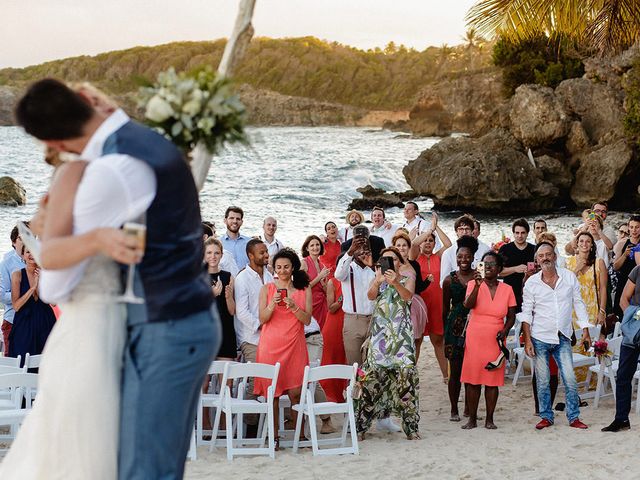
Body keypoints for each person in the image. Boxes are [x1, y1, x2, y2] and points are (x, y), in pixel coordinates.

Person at [3, 79, 219, 479]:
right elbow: (141, 242)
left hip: (163, 328)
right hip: (178, 319)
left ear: (53, 140)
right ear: (84, 99)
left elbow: (57, 284)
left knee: (144, 470)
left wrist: (68, 236)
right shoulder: (149, 143)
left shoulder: (109, 172)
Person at [521, 242, 592, 430]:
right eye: (541, 255)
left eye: (548, 254)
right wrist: (528, 339)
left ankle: (574, 417)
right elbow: (526, 313)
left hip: (563, 336)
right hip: (540, 337)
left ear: (555, 256)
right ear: (537, 260)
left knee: (570, 378)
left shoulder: (568, 277)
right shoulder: (532, 283)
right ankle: (546, 416)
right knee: (543, 381)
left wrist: (585, 329)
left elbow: (579, 303)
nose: (545, 258)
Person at [356, 247, 420, 440]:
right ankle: (362, 427)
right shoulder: (380, 281)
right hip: (380, 338)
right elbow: (370, 296)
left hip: (401, 339)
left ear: (400, 262)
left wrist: (394, 282)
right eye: (385, 260)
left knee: (406, 382)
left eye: (393, 259)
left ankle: (411, 428)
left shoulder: (407, 278)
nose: (389, 263)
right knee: (372, 382)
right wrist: (378, 281)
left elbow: (408, 297)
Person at [256, 248, 312, 450]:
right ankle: (274, 437)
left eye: (286, 266)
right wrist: (272, 304)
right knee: (273, 395)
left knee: (297, 393)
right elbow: (262, 319)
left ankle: (300, 435)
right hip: (270, 346)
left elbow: (307, 320)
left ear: (293, 267)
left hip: (295, 345)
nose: (282, 270)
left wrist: (293, 306)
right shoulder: (266, 289)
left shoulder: (304, 289)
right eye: (278, 267)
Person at [460, 251, 516, 430]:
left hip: (496, 337)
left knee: (492, 380)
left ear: (499, 269)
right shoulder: (472, 284)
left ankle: (489, 419)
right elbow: (468, 305)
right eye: (485, 264)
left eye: (492, 264)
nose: (489, 267)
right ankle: (472, 419)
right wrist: (477, 285)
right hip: (475, 335)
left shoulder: (507, 289)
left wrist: (505, 331)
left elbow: (512, 316)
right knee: (473, 378)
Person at [410, 212, 452, 374]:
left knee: (438, 340)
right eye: (425, 240)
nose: (428, 242)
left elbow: (448, 245)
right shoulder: (415, 257)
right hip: (420, 304)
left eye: (431, 240)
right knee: (417, 341)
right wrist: (428, 232)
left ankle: (446, 376)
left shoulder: (439, 256)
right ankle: (411, 374)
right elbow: (413, 244)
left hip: (436, 304)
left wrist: (436, 228)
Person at [442, 235, 478, 421]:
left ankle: (468, 409)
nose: (463, 260)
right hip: (454, 328)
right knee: (455, 372)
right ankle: (454, 409)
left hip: (475, 326)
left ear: (473, 258)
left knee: (471, 371)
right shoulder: (449, 280)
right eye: (460, 256)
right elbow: (444, 308)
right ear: (455, 258)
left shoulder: (479, 278)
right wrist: (443, 335)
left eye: (467, 256)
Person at [602, 263, 640, 432]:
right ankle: (621, 419)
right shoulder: (638, 270)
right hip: (633, 331)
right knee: (623, 375)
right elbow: (624, 299)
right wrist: (632, 320)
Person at [8, 246, 57, 365]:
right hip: (24, 325)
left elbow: (53, 303)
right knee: (23, 362)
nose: (31, 255)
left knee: (46, 362)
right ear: (23, 255)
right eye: (28, 252)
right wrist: (32, 288)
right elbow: (16, 306)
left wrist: (42, 281)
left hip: (45, 322)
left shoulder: (47, 274)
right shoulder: (17, 275)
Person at [391, 231, 429, 358]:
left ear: (408, 248)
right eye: (398, 245)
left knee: (414, 340)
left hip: (413, 305)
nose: (401, 248)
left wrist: (428, 281)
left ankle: (412, 367)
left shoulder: (414, 265)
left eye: (404, 245)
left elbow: (419, 287)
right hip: (393, 305)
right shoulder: (388, 264)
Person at [204, 238, 237, 360]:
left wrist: (228, 297)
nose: (213, 256)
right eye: (209, 253)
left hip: (225, 331)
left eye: (216, 253)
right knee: (204, 378)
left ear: (222, 255)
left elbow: (232, 311)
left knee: (226, 374)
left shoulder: (228, 276)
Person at [321, 261, 348, 402]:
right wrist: (341, 300)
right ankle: (332, 395)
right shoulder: (332, 282)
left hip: (349, 322)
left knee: (346, 359)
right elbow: (331, 308)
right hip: (334, 324)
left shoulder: (353, 280)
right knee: (332, 358)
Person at [440, 215, 491, 287]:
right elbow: (443, 282)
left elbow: (486, 275)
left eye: (467, 229)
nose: (464, 232)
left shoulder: (484, 250)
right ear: (456, 232)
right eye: (460, 229)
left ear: (472, 231)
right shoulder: (448, 253)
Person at [0, 224, 27, 356]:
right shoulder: (6, 264)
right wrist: (22, 295)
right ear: (13, 242)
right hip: (13, 320)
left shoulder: (39, 261)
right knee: (13, 361)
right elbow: (1, 295)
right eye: (22, 238)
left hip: (35, 319)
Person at [498, 218, 535, 310]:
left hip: (530, 292)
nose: (520, 236)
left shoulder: (534, 249)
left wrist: (532, 272)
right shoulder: (505, 249)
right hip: (509, 291)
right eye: (517, 233)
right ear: (513, 233)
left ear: (527, 233)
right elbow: (498, 272)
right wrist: (515, 269)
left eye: (523, 233)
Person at [612, 215, 640, 318]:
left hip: (637, 287)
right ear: (628, 227)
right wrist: (624, 255)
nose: (634, 230)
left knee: (636, 316)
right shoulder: (622, 243)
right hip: (623, 282)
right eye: (631, 227)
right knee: (620, 316)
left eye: (637, 227)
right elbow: (615, 267)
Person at [301, 235, 330, 329]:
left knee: (322, 333)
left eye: (317, 244)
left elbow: (326, 291)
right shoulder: (303, 263)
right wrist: (319, 277)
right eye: (312, 245)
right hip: (309, 303)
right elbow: (302, 287)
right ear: (307, 248)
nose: (315, 247)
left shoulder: (322, 266)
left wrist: (324, 285)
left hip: (322, 305)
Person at [220, 206, 251, 270]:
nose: (235, 221)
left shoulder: (250, 243)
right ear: (225, 220)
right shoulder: (218, 243)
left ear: (242, 222)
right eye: (231, 218)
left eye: (238, 219)